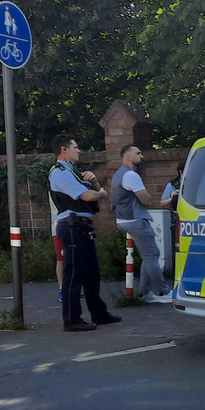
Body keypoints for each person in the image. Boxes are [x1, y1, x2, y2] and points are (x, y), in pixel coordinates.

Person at [49, 134, 121, 332]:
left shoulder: (74, 172)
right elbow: (88, 196)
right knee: (74, 274)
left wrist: (96, 183)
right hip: (71, 226)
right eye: (75, 147)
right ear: (64, 149)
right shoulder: (59, 172)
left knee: (91, 273)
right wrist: (101, 193)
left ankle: (99, 313)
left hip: (82, 226)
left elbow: (92, 192)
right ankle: (72, 320)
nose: (79, 150)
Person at [112, 144, 176, 302]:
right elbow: (147, 200)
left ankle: (145, 292)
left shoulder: (119, 173)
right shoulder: (130, 175)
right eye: (138, 153)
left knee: (152, 255)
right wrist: (149, 196)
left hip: (124, 219)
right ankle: (165, 292)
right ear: (128, 157)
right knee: (151, 256)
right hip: (135, 220)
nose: (142, 156)